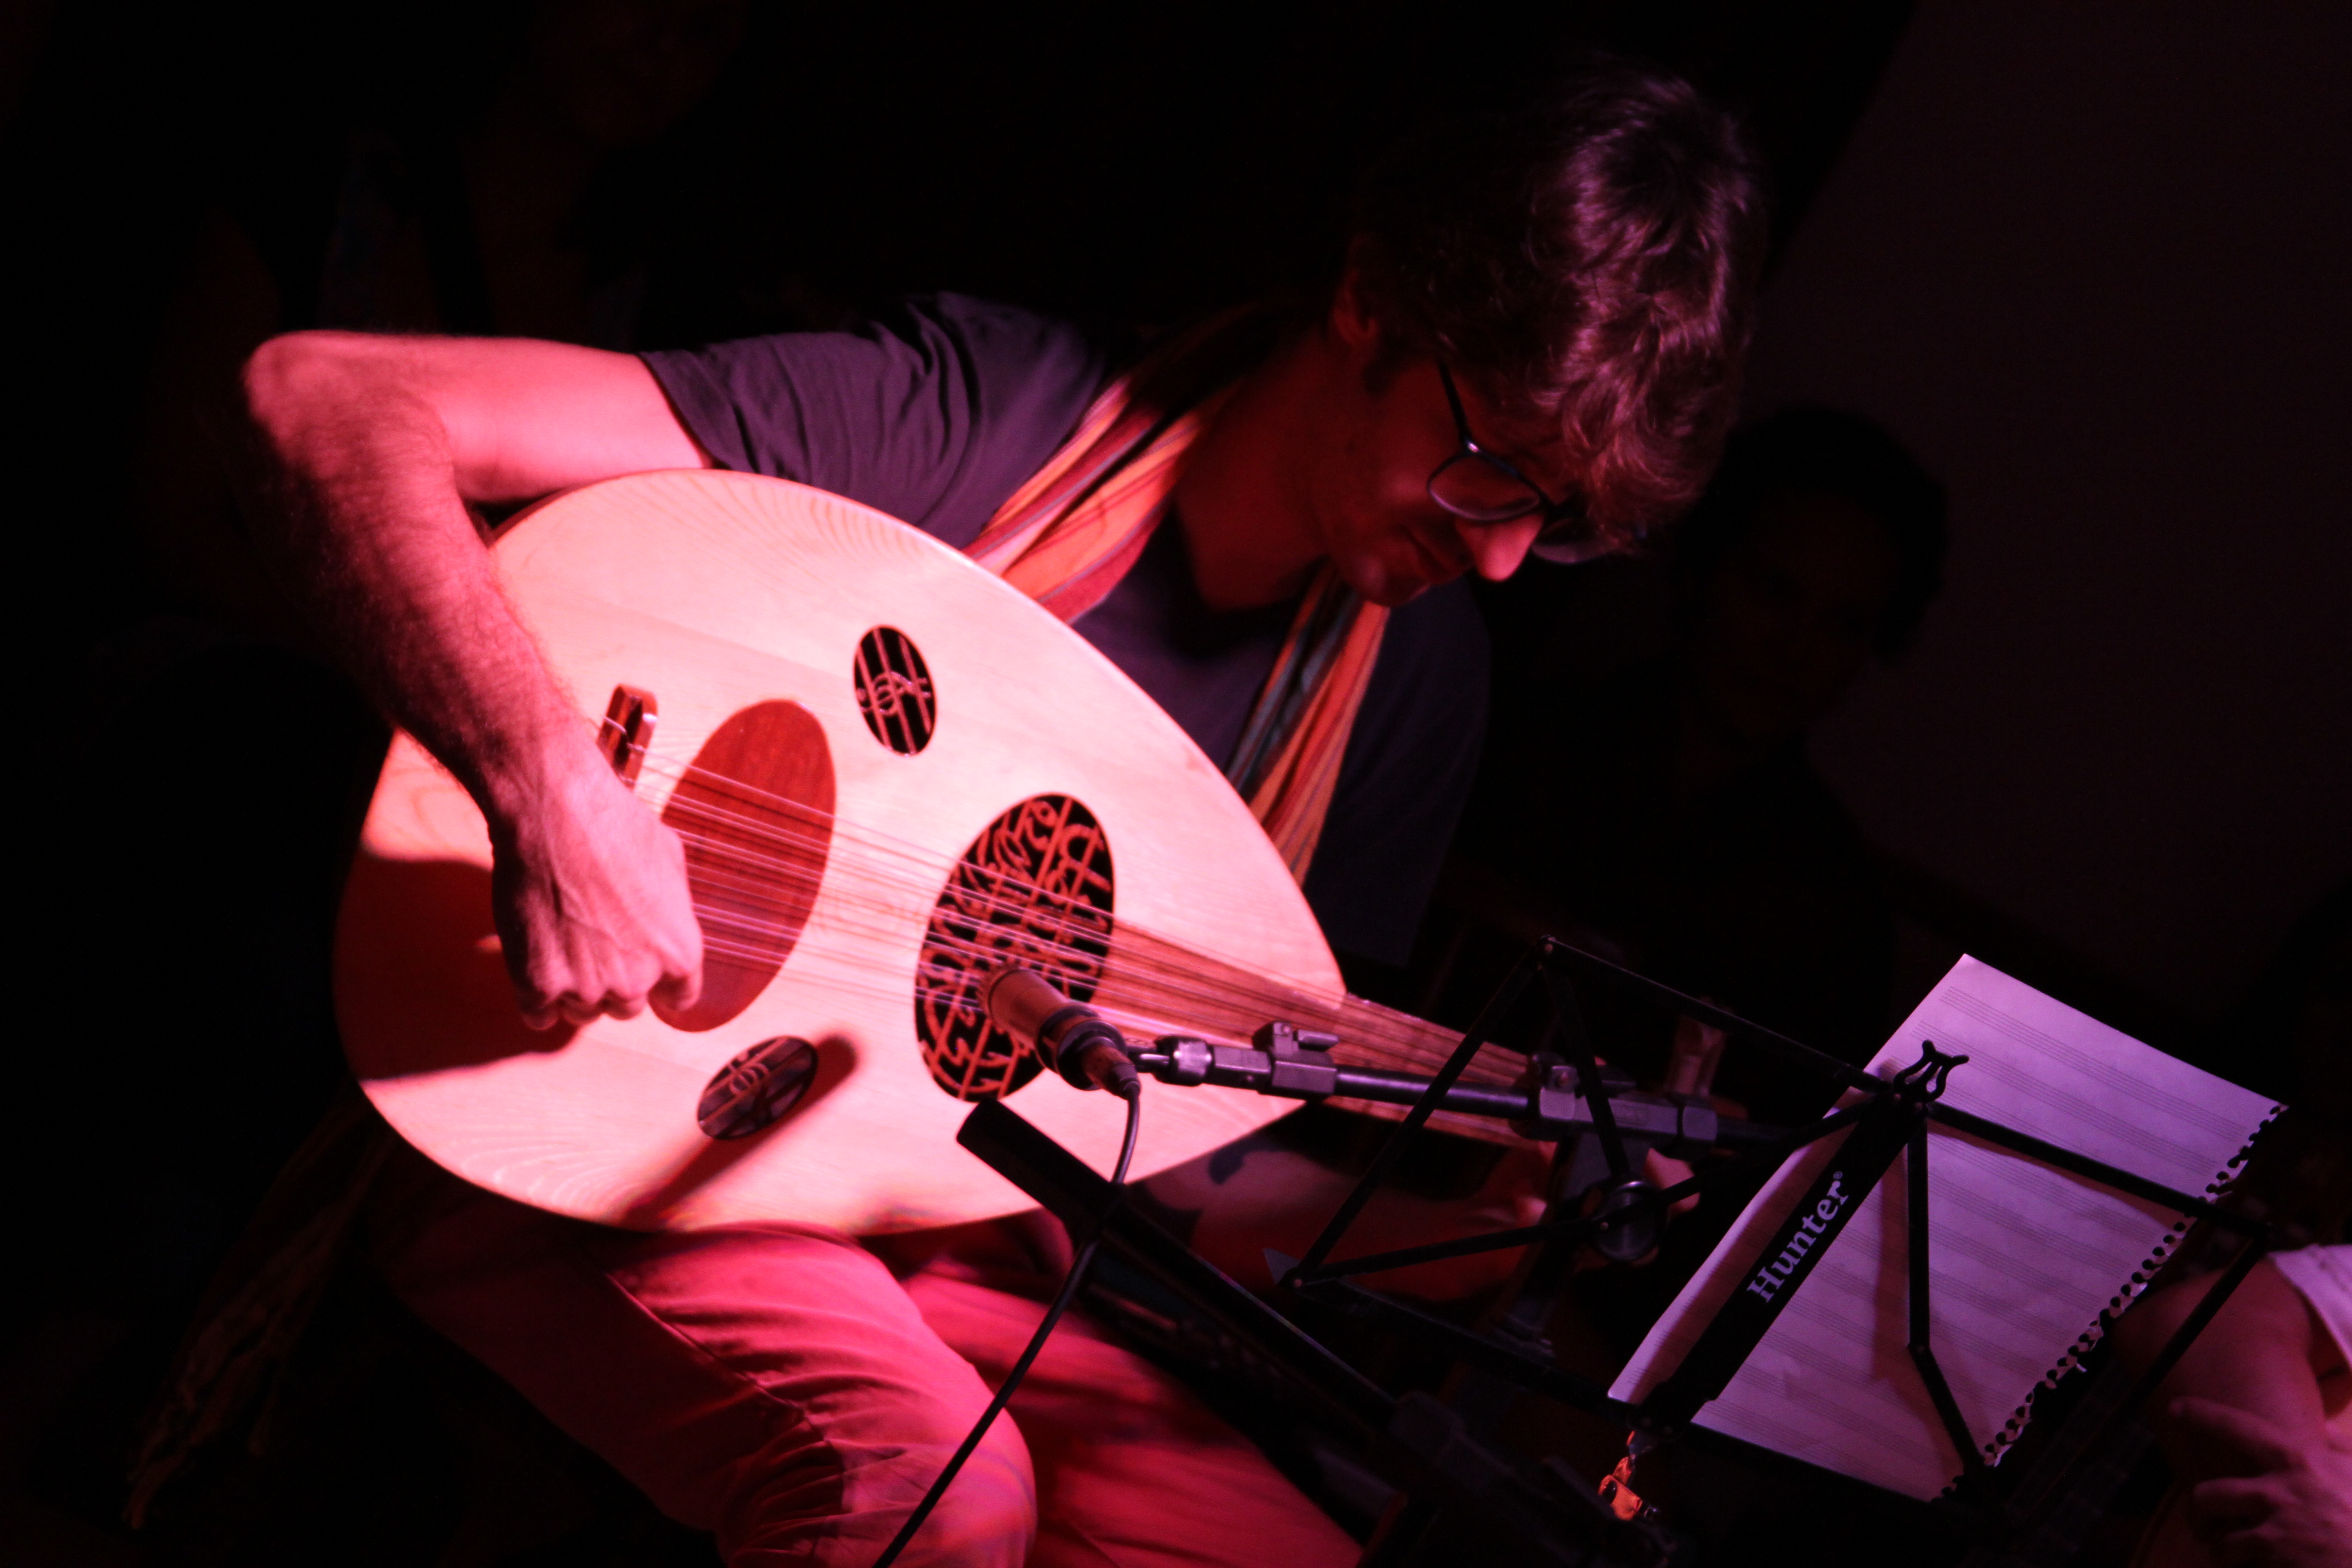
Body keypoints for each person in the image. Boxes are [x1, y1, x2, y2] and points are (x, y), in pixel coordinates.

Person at [212, 54, 1765, 1566]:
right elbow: (332, 401)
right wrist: (551, 789)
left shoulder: (1410, 686)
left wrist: (1474, 1238)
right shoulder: (988, 417)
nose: (1500, 555)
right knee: (935, 1491)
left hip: (946, 1219)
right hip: (612, 1127)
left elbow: (1168, 1161)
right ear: (1373, 295)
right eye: (1491, 466)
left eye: (1555, 520)